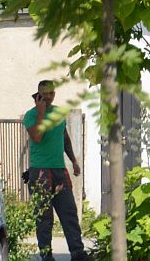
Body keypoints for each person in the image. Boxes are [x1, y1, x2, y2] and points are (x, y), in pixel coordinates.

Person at [23, 80, 86, 261]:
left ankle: (77, 253)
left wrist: (73, 160)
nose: (48, 97)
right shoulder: (31, 115)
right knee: (44, 217)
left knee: (69, 212)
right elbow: (37, 136)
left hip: (59, 169)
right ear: (38, 94)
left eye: (51, 94)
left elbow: (64, 137)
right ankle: (46, 255)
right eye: (44, 94)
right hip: (40, 171)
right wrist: (41, 113)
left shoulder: (59, 113)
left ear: (54, 94)